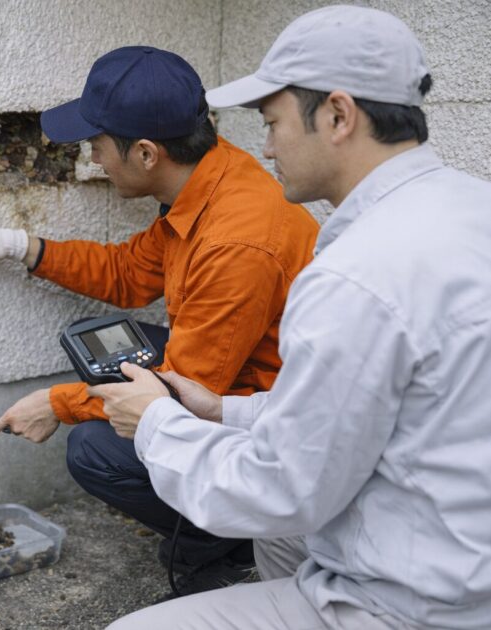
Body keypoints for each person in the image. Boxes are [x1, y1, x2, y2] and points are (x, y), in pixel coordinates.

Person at [92, 5, 491, 628]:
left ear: (338, 115)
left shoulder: (356, 273)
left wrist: (156, 423)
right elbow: (360, 408)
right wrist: (224, 410)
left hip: (417, 600)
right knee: (280, 544)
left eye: (273, 122)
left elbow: (277, 489)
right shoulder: (468, 205)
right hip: (461, 537)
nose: (268, 145)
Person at [0, 46, 319, 593]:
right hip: (234, 370)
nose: (94, 159)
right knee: (98, 355)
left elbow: (193, 391)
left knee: (94, 449)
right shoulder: (211, 175)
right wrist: (19, 245)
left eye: (97, 145)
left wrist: (56, 403)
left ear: (148, 153)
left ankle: (229, 544)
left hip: (269, 417)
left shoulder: (235, 243)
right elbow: (129, 274)